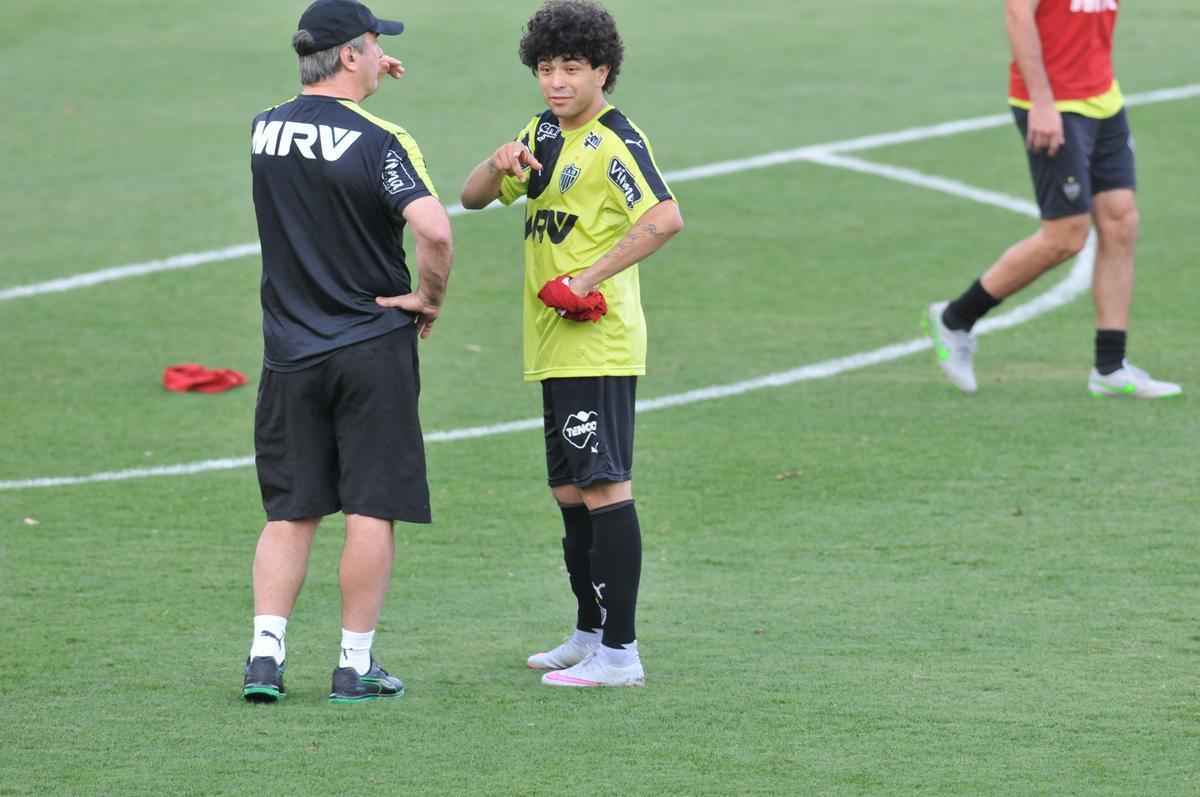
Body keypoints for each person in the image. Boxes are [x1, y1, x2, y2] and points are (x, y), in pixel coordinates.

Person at [460, 0, 684, 687]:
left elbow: (665, 218)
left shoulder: (615, 140)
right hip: (551, 343)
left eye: (572, 69)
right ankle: (588, 631)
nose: (557, 81)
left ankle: (622, 652)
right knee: (568, 490)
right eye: (547, 68)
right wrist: (497, 165)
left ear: (602, 71)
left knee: (605, 486)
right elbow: (469, 199)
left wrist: (585, 278)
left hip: (597, 338)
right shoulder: (540, 133)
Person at [241, 0, 453, 704]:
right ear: (352, 54)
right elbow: (434, 229)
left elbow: (321, 125)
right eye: (372, 44)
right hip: (369, 344)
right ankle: (353, 664)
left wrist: (358, 82)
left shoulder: (263, 128)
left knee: (290, 509)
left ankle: (264, 658)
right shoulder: (382, 139)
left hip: (289, 348)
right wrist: (430, 297)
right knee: (370, 504)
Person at [925, 0, 1181, 399]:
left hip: (1102, 96)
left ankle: (1110, 368)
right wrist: (1042, 102)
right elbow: (1017, 13)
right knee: (1065, 236)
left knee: (1121, 221)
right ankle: (955, 318)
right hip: (1052, 106)